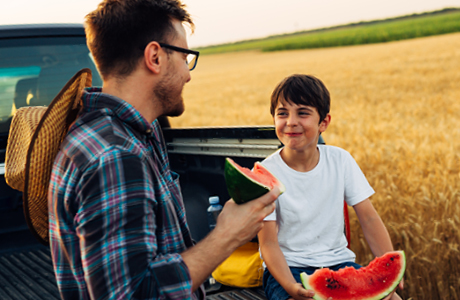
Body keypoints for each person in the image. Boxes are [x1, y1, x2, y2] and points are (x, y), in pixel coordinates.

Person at [48, 1, 278, 299]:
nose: (188, 74)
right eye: (186, 57)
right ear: (155, 57)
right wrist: (227, 235)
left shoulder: (126, 132)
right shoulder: (115, 157)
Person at [257, 74, 403, 300]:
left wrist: (390, 268)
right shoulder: (265, 173)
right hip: (288, 269)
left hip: (339, 262)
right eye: (282, 113)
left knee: (392, 299)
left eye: (302, 113)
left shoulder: (340, 160)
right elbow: (267, 242)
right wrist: (290, 286)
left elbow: (369, 218)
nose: (291, 121)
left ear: (323, 122)